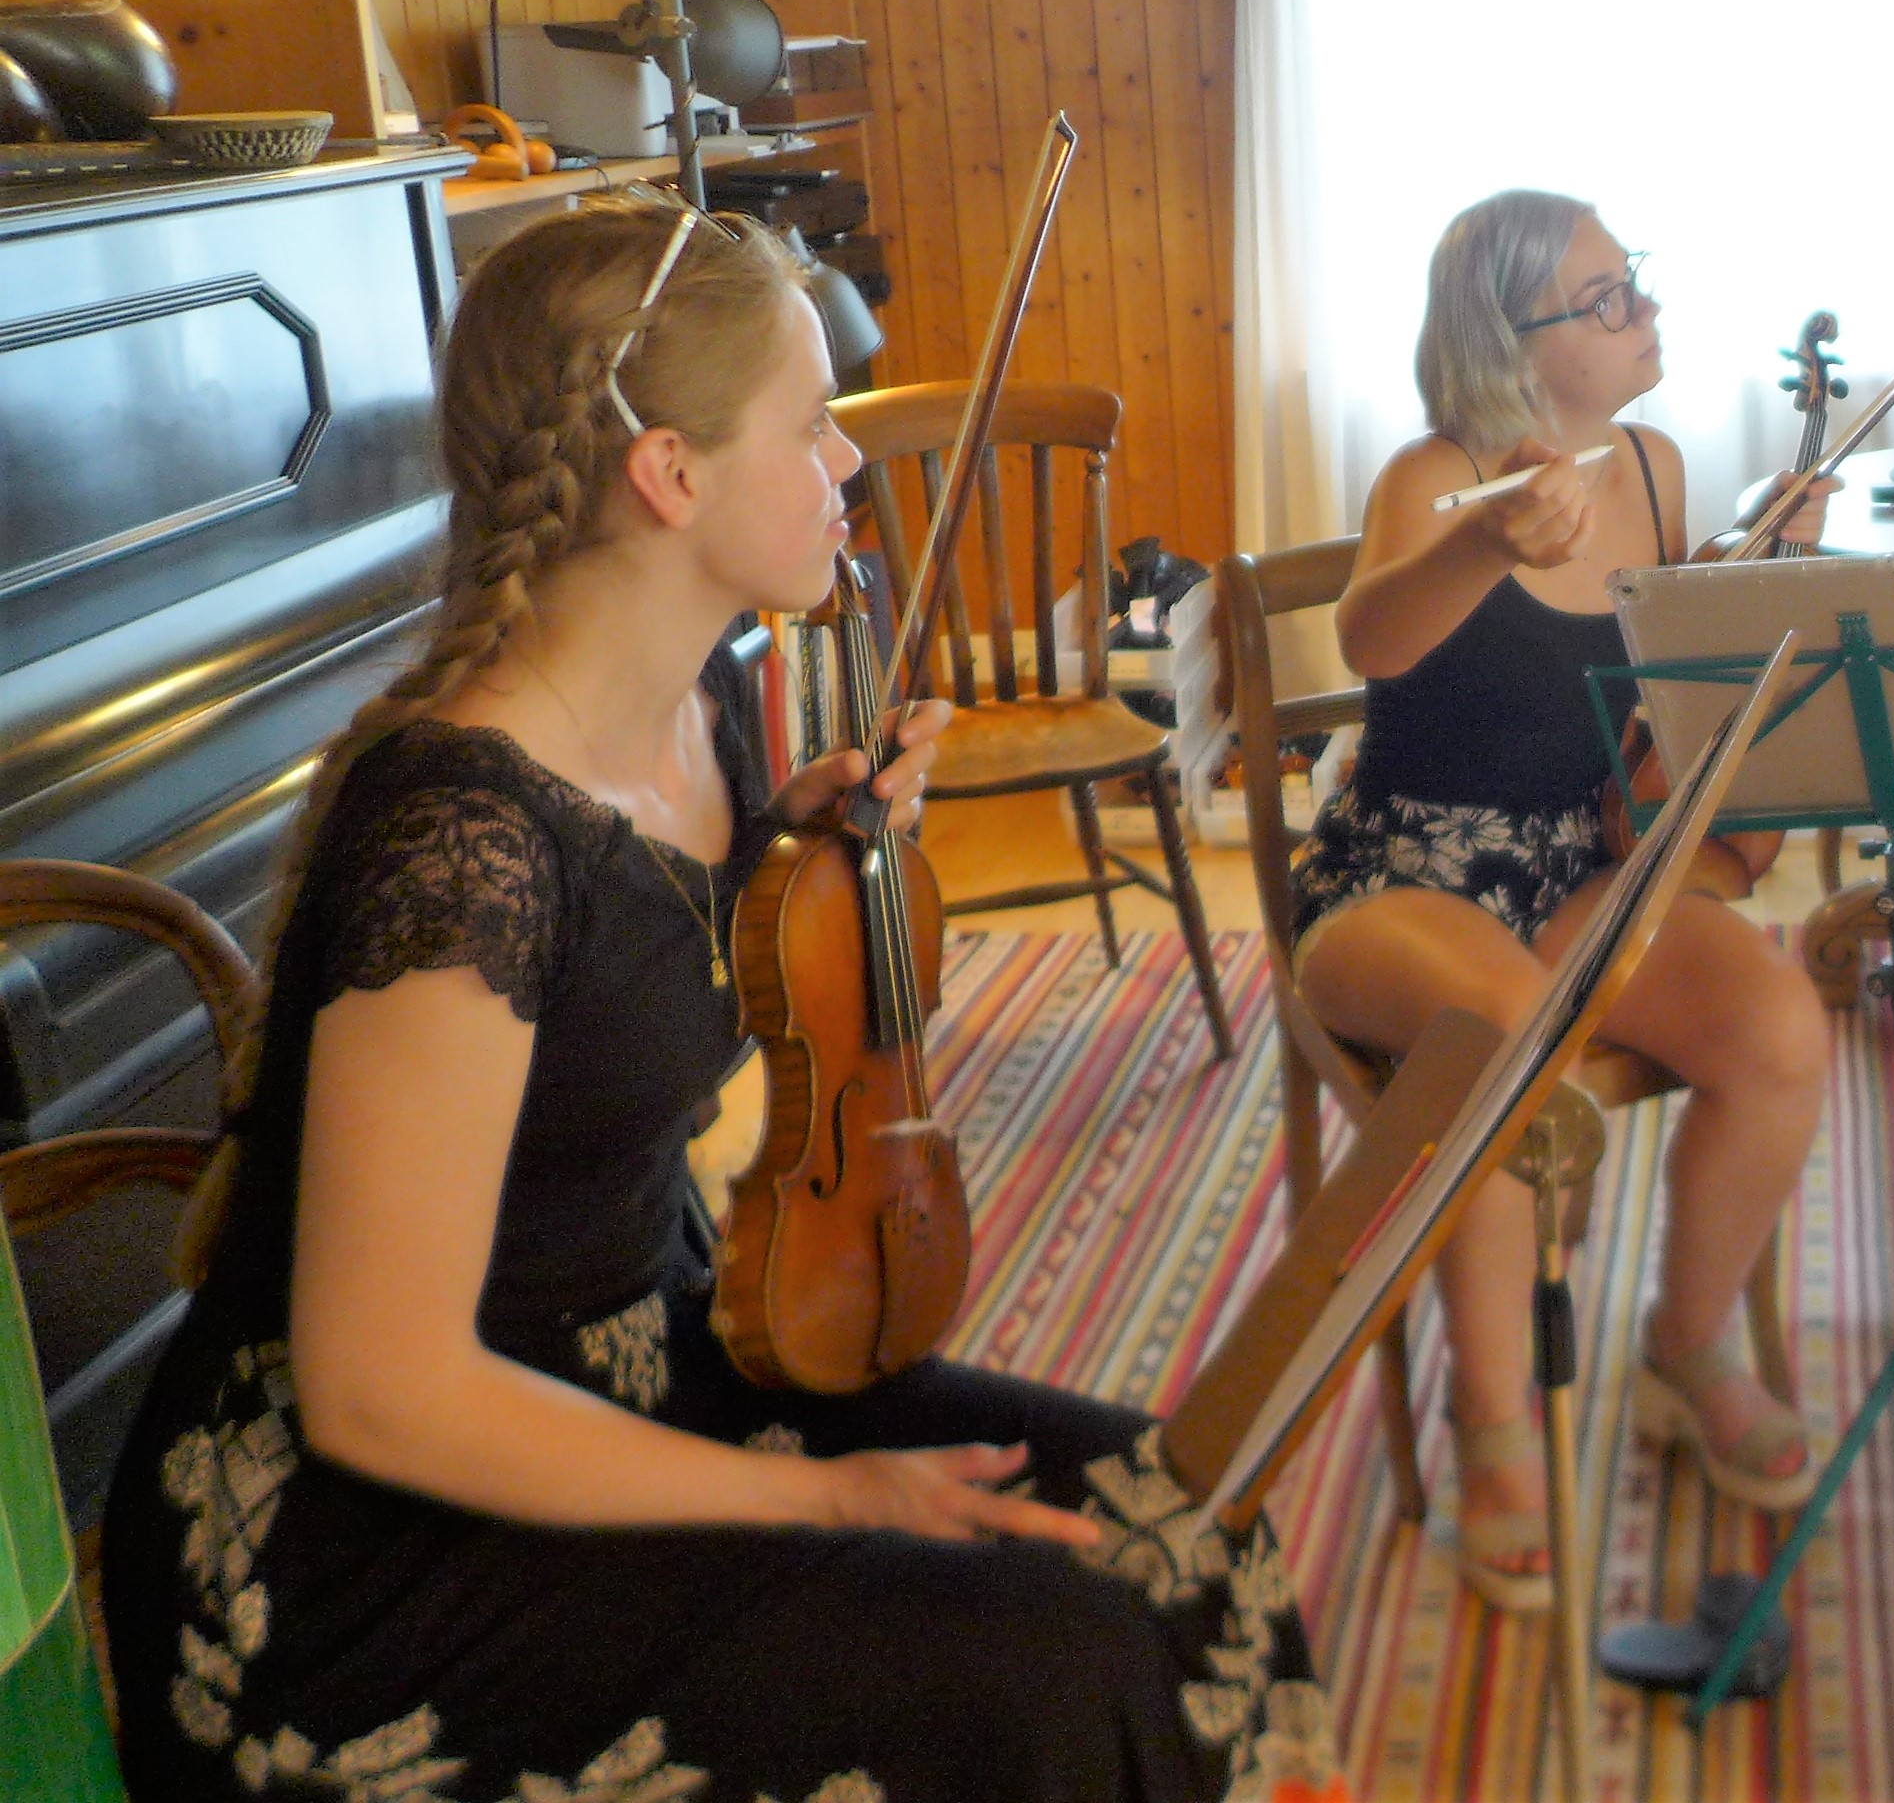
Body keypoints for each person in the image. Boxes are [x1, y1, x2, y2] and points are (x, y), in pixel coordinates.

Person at [103, 200, 1330, 1802]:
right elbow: (380, 1394)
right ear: (668, 473)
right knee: (1051, 1662)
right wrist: (834, 1501)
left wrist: (803, 859)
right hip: (375, 1561)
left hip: (644, 1356)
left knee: (1172, 1523)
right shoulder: (464, 845)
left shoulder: (706, 713)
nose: (848, 462)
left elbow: (648, 974)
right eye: (812, 424)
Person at [1289, 190, 1832, 1612]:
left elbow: (1652, 691)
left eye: (1632, 279)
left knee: (1778, 1026)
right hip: (1401, 875)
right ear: (1511, 342)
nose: (1644, 310)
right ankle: (1495, 1432)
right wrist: (1488, 545)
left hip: (1577, 864)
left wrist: (1746, 570)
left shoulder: (1653, 463)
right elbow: (1370, 640)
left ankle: (1687, 1349)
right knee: (1506, 1042)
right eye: (1605, 298)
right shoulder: (1435, 475)